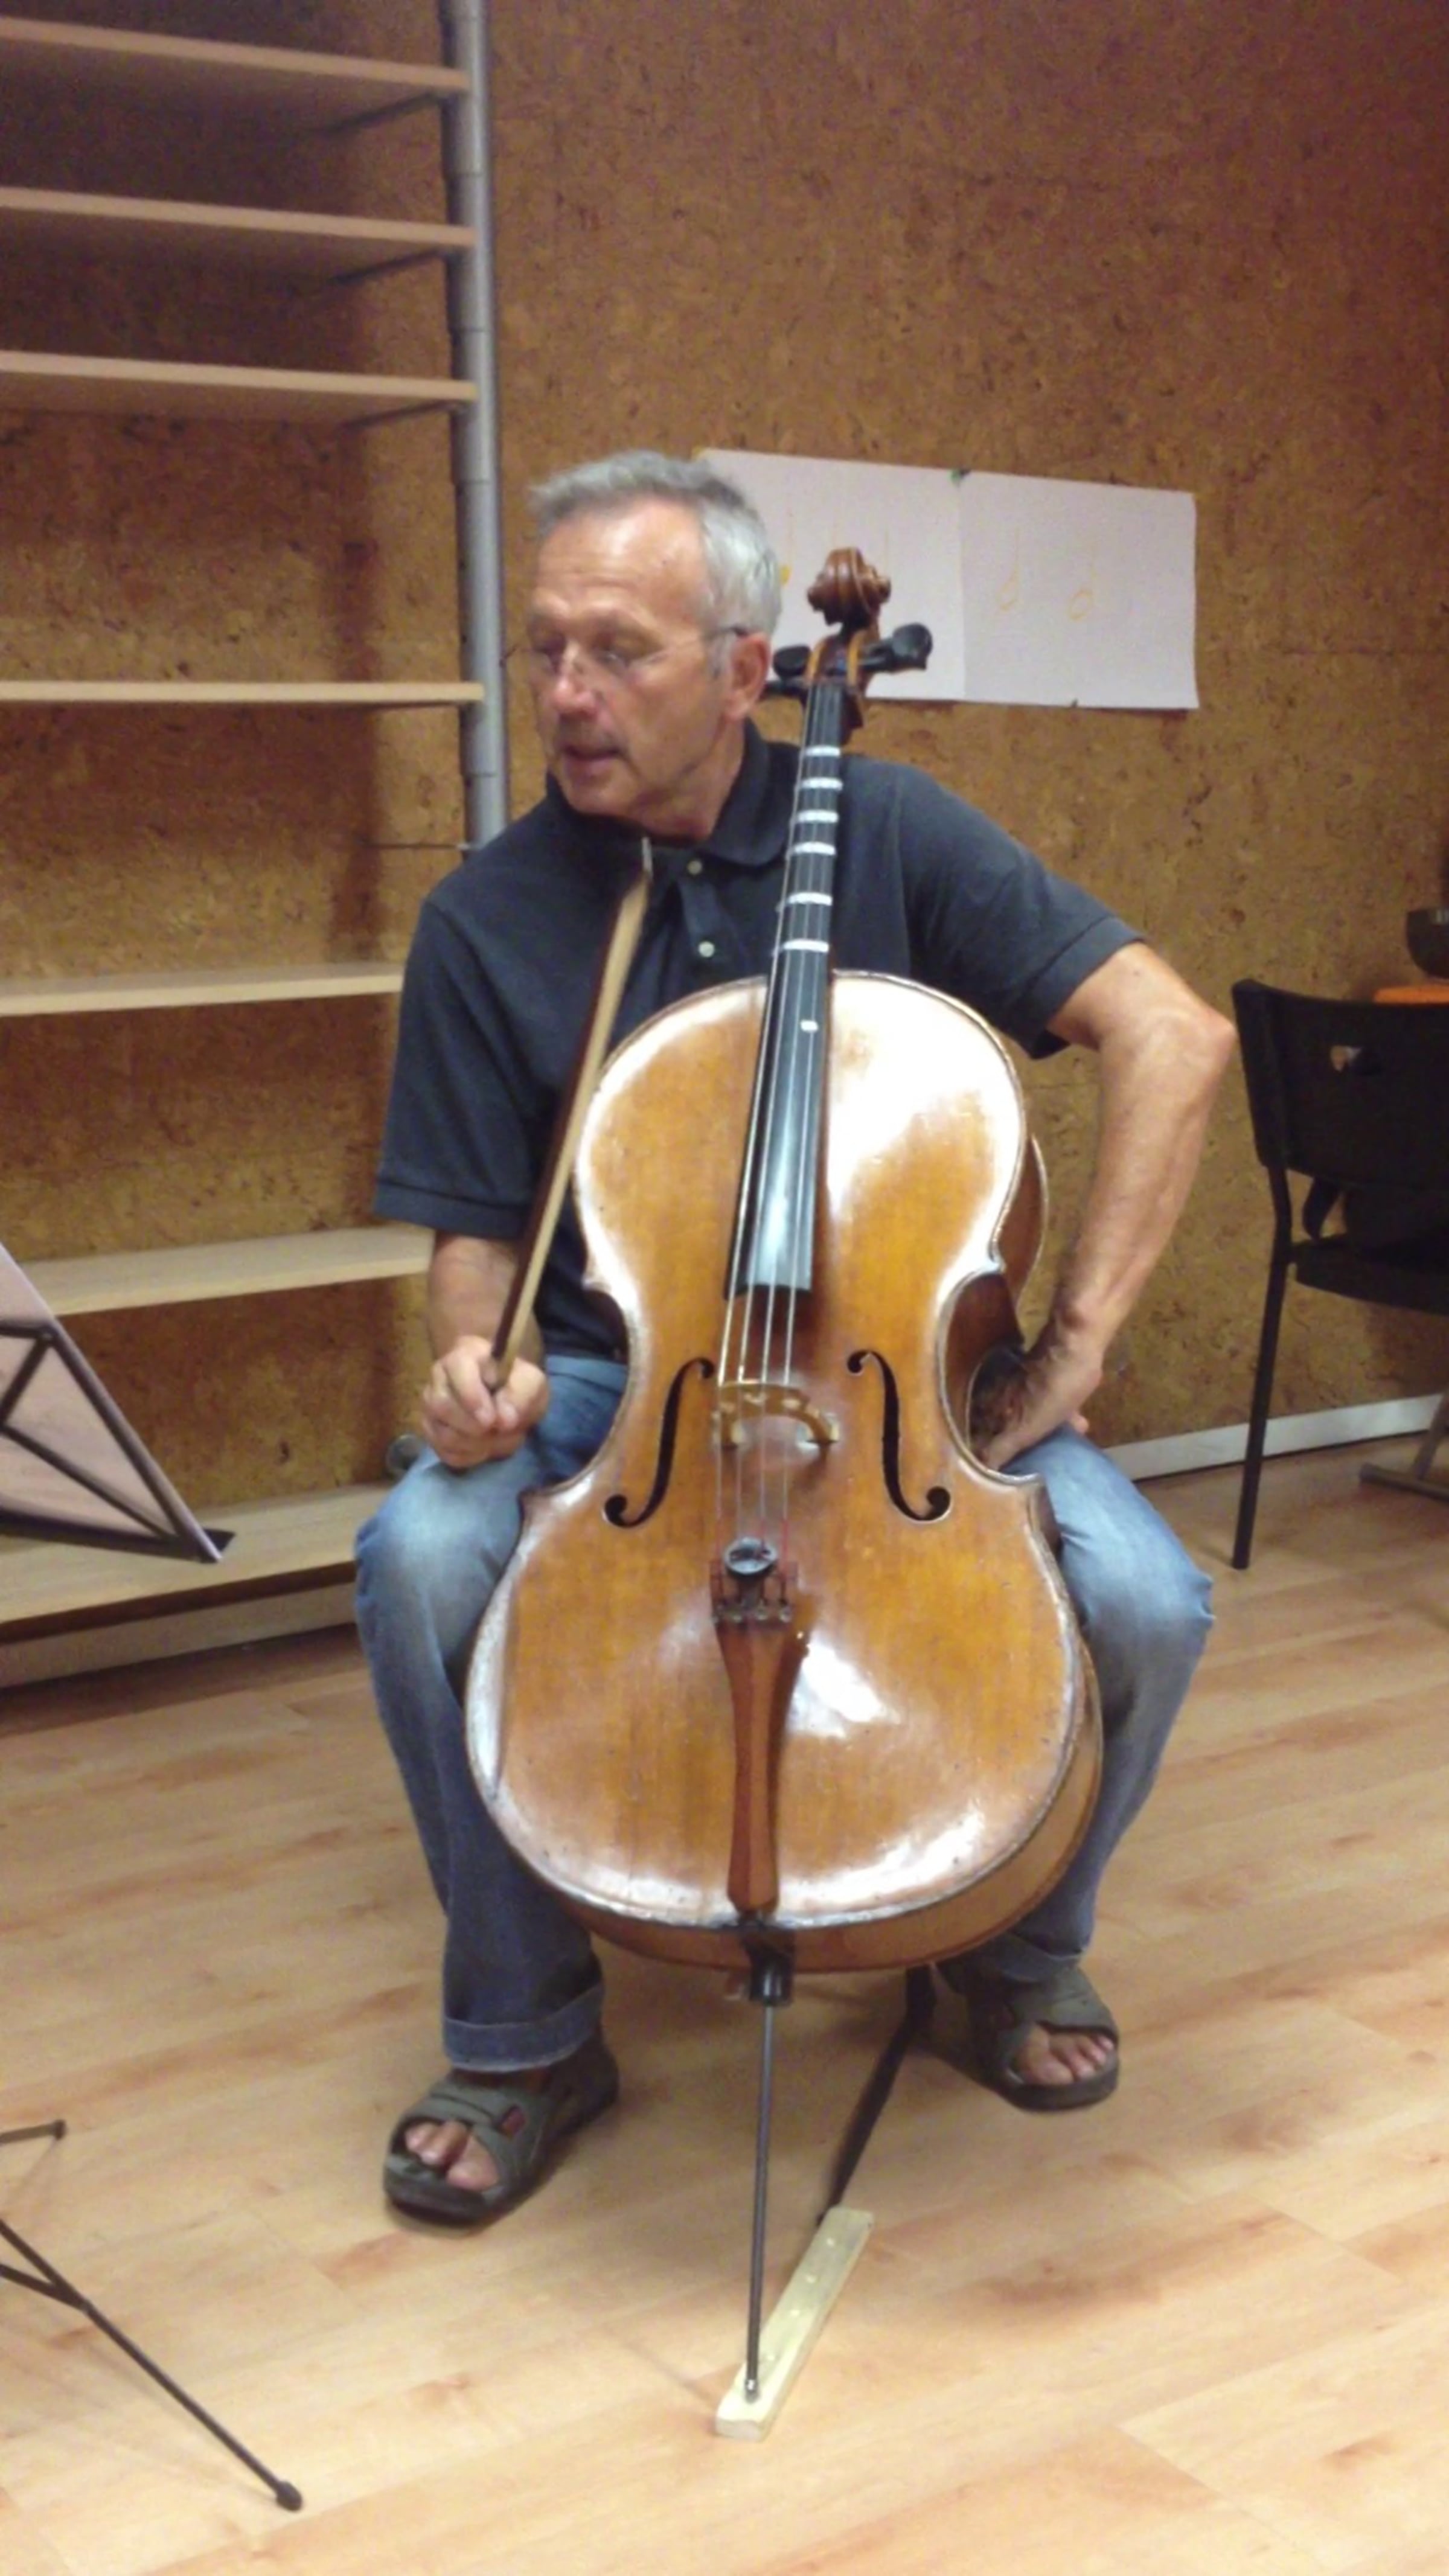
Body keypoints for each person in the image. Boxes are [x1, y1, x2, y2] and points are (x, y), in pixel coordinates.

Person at [357, 450, 1234, 2227]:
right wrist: (475, 1369)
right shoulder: (488, 915)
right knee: (418, 1558)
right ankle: (527, 2031)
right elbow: (476, 1233)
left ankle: (1006, 1941)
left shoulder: (890, 832)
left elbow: (1176, 1035)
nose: (569, 692)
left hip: (902, 1380)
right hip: (623, 1382)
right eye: (546, 649)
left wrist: (1076, 1340)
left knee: (1151, 1599)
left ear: (744, 669)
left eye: (619, 651)